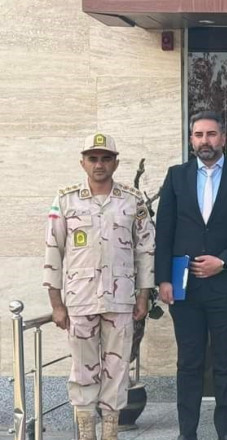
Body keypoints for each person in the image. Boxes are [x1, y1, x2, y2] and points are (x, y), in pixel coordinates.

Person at [155, 111, 227, 440]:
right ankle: (187, 432)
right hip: (184, 287)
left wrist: (224, 261)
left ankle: (226, 432)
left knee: (226, 362)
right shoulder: (176, 177)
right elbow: (165, 231)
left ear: (224, 138)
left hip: (225, 287)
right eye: (199, 135)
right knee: (189, 362)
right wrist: (163, 279)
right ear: (191, 140)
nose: (205, 140)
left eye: (212, 134)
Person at [44, 134, 155, 440]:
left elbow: (145, 250)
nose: (99, 164)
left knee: (117, 370)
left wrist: (143, 295)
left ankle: (110, 432)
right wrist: (56, 303)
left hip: (121, 301)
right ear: (83, 162)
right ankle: (85, 433)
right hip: (80, 301)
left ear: (116, 162)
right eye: (93, 158)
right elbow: (53, 252)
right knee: (82, 369)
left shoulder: (132, 200)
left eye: (106, 158)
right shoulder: (66, 200)